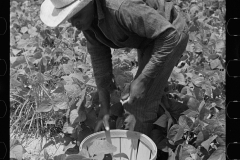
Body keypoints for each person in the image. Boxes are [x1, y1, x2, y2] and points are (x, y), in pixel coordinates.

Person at [40, 0, 189, 137]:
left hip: (170, 33)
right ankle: (166, 118)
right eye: (69, 17)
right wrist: (105, 108)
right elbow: (99, 59)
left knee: (140, 103)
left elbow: (168, 35)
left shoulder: (120, 8)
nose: (73, 23)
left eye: (76, 14)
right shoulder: (89, 21)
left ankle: (184, 125)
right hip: (148, 39)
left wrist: (143, 80)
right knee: (147, 93)